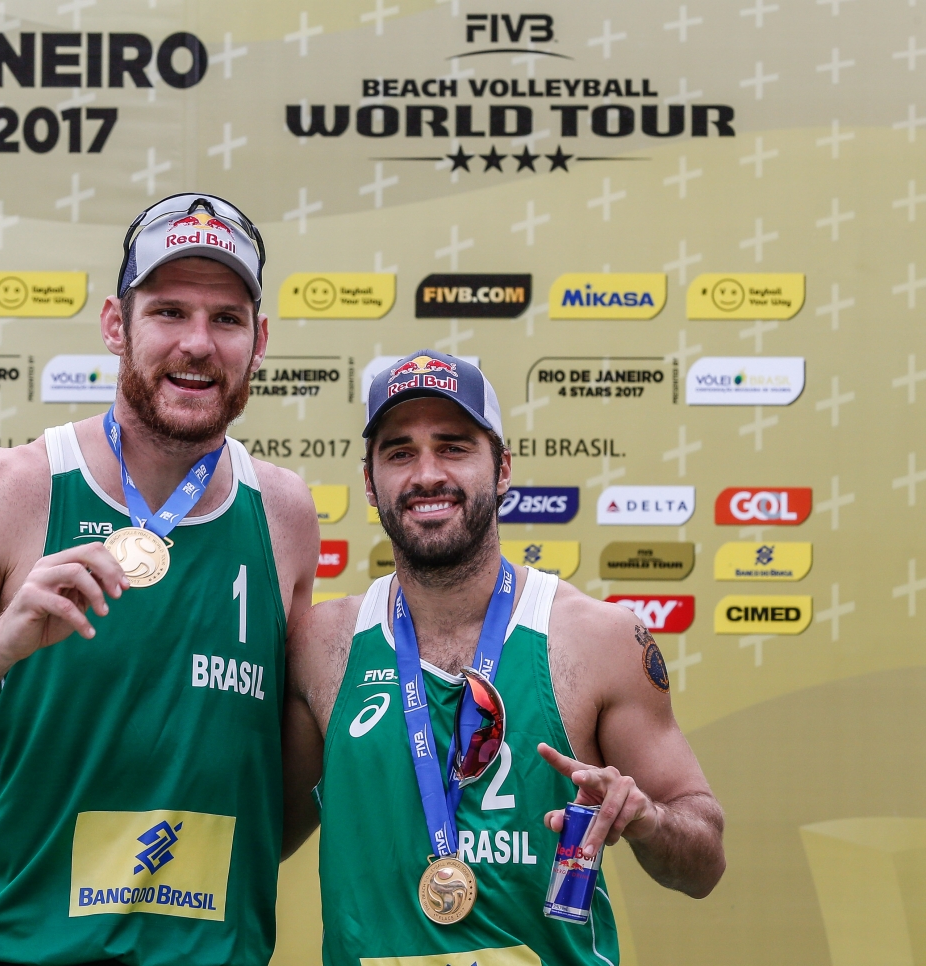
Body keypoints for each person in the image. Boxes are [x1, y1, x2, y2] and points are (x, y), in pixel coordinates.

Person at [0, 193, 319, 966]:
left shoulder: (284, 512)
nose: (197, 343)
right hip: (12, 951)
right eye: (167, 312)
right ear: (115, 325)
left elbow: (276, 775)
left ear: (258, 340)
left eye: (225, 319)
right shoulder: (11, 488)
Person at [282, 351, 725, 965]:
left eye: (454, 446)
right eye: (400, 452)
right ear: (369, 480)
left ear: (502, 469)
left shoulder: (599, 640)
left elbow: (703, 862)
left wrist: (649, 819)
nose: (426, 474)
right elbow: (262, 836)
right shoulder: (321, 645)